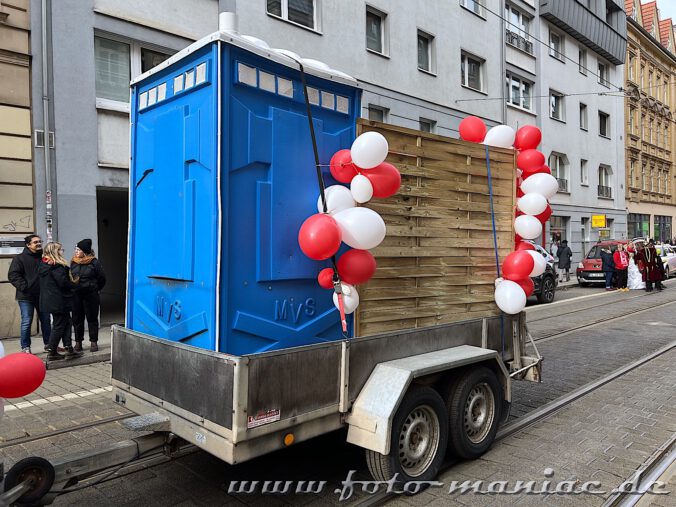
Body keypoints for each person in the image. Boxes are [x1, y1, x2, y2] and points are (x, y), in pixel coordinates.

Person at [7, 235, 52, 353]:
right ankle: (25, 347)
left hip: (43, 295)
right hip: (26, 296)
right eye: (35, 242)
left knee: (46, 320)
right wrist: (25, 287)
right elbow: (13, 275)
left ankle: (49, 345)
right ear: (28, 245)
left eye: (40, 241)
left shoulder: (44, 257)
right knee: (27, 321)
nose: (38, 243)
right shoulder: (19, 258)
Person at [39, 242, 84, 360]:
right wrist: (75, 285)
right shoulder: (57, 266)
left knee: (67, 322)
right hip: (59, 300)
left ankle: (68, 348)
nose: (62, 251)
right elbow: (63, 283)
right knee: (59, 325)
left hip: (51, 299)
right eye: (60, 250)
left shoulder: (44, 265)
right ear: (54, 251)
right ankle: (52, 351)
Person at [71, 239, 106, 352]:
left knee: (92, 319)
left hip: (90, 295)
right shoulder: (74, 261)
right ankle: (78, 343)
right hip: (76, 295)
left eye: (78, 249)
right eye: (75, 249)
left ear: (85, 251)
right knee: (77, 319)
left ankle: (93, 342)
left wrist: (95, 288)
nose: (76, 251)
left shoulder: (94, 262)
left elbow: (102, 278)